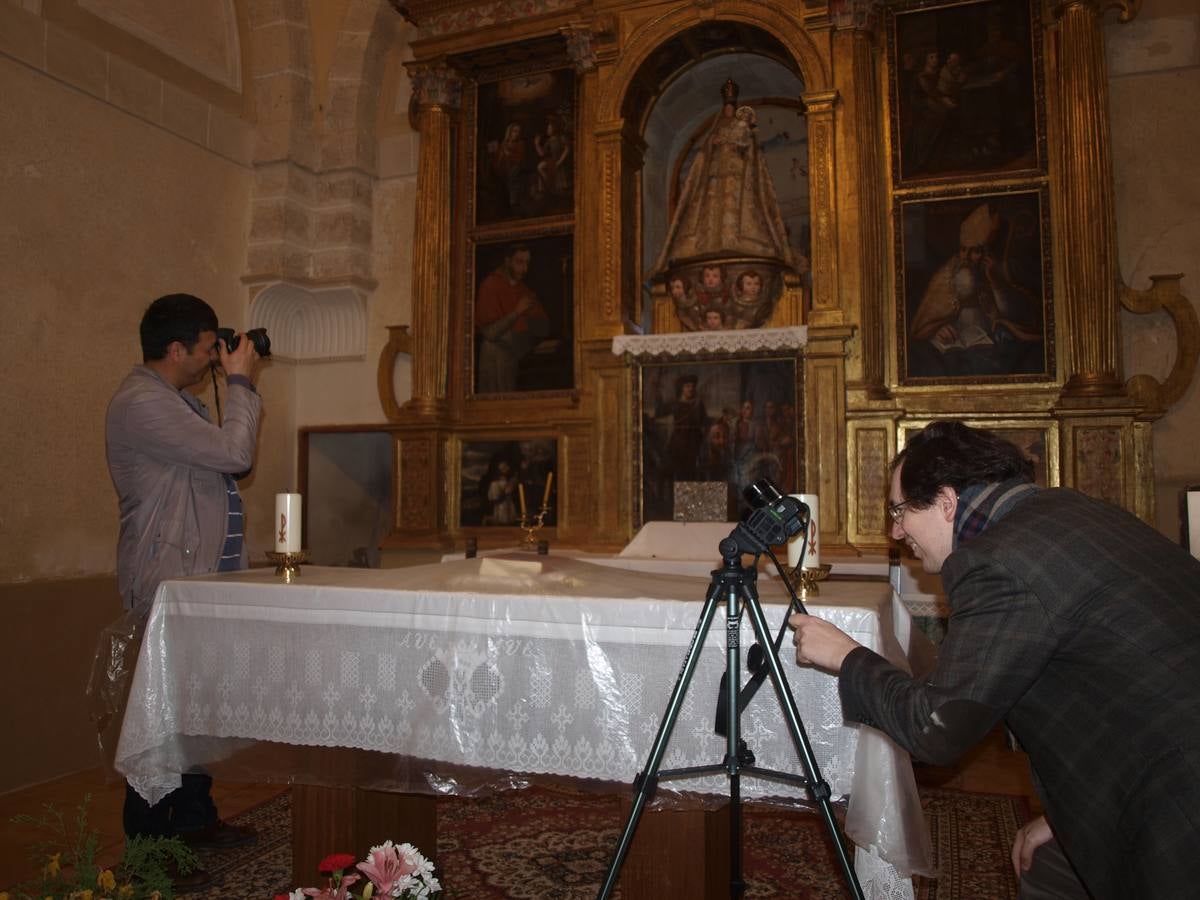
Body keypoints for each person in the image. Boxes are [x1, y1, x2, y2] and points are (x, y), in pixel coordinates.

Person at [790, 421, 1200, 900]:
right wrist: (1063, 817)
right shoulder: (1070, 509)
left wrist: (848, 657)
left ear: (946, 502)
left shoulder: (997, 560)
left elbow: (935, 729)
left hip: (1178, 798)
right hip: (1147, 757)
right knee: (1048, 869)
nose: (895, 530)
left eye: (900, 511)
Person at [106, 293, 262, 889]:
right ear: (175, 349)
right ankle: (148, 846)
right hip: (168, 583)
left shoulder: (179, 402)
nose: (212, 357)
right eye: (205, 347)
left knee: (195, 710)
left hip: (199, 585)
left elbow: (228, 465)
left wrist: (236, 384)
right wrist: (243, 383)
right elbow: (237, 451)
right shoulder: (141, 404)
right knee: (163, 716)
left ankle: (195, 819)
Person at [475, 244, 551, 393]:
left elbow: (544, 327)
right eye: (519, 262)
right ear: (507, 261)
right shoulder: (490, 285)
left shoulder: (524, 289)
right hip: (496, 362)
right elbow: (490, 333)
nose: (524, 269)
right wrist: (517, 312)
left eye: (527, 263)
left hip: (519, 357)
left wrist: (526, 323)